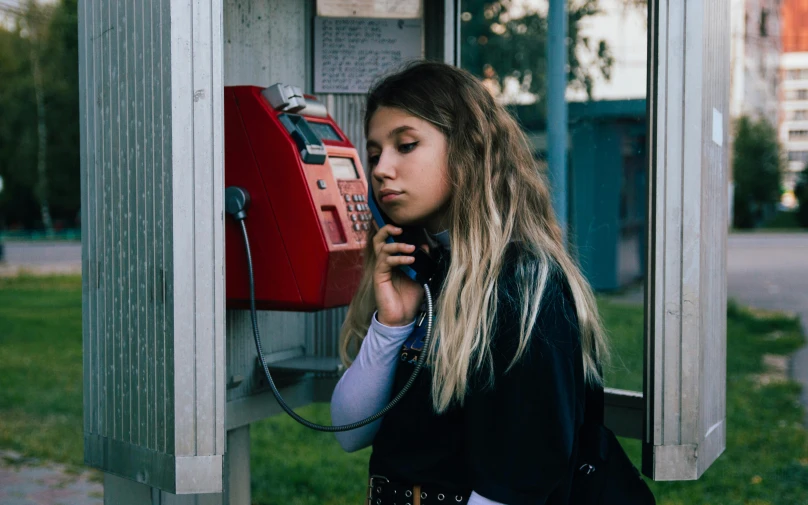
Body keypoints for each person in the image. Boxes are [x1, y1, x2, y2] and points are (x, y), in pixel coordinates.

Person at [330, 61, 609, 505]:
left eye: (406, 145)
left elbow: (518, 482)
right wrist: (392, 323)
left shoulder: (524, 284)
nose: (382, 168)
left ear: (467, 149)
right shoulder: (422, 273)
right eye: (375, 152)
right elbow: (348, 430)